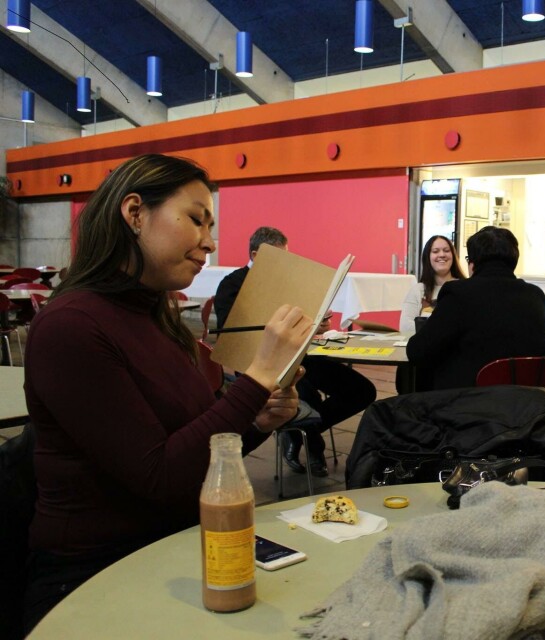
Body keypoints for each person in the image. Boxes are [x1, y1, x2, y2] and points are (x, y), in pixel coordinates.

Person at [22, 155, 311, 631]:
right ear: (135, 213)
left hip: (174, 549)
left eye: (211, 226)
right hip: (94, 576)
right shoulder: (71, 326)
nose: (209, 242)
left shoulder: (157, 319)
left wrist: (257, 421)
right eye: (196, 219)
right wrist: (258, 377)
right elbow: (160, 475)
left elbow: (197, 448)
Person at [214, 227, 376, 477]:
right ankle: (313, 448)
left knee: (362, 391)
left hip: (301, 356)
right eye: (279, 258)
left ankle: (295, 435)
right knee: (306, 395)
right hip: (260, 363)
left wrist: (317, 323)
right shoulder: (232, 284)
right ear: (256, 256)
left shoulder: (288, 282)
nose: (285, 265)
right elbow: (233, 335)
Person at [406, 225, 545, 390]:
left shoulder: (458, 293)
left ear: (473, 263)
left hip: (468, 404)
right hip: (526, 404)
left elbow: (418, 351)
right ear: (514, 260)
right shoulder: (534, 295)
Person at [399, 235, 467, 333]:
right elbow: (405, 328)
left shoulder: (465, 287)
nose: (442, 254)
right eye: (435, 251)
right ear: (428, 257)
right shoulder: (418, 290)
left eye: (446, 250)